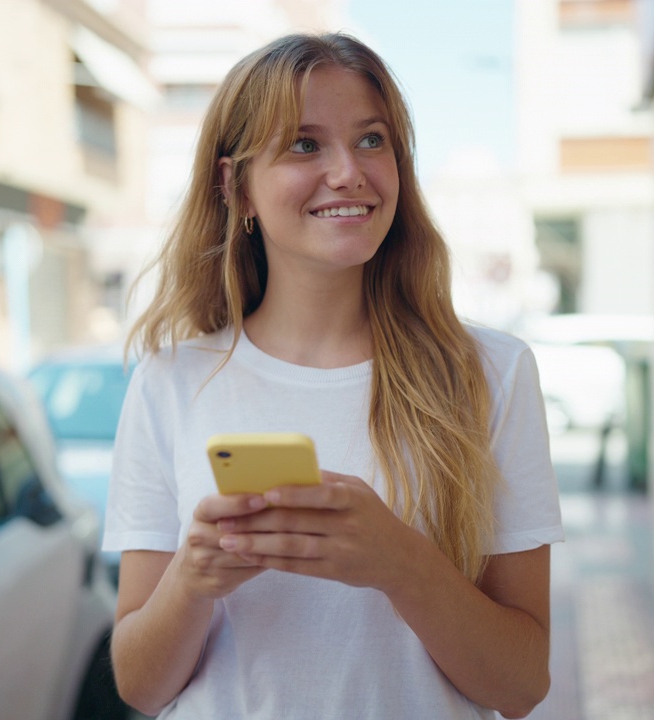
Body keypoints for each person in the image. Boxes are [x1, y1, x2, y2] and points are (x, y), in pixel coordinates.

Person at [106, 32, 564, 720]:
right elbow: (139, 687)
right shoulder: (170, 381)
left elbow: (522, 685)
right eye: (305, 144)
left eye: (372, 140)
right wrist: (190, 582)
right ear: (237, 187)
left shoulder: (492, 374)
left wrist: (399, 564)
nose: (349, 170)